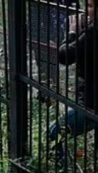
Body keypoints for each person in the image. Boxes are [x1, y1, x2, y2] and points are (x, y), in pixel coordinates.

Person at [48, 0, 98, 160]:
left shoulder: (92, 34)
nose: (85, 11)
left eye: (90, 6)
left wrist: (72, 32)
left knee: (54, 132)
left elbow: (64, 56)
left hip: (90, 105)